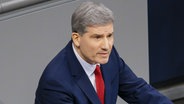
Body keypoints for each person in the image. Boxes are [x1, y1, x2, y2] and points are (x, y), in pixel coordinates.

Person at [35, 1, 173, 104]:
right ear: (77, 39)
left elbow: (137, 91)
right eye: (97, 37)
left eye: (110, 36)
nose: (106, 46)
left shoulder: (108, 56)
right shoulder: (55, 83)